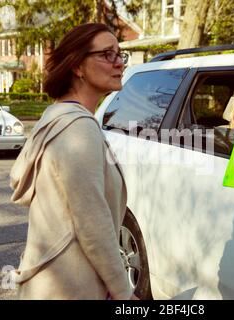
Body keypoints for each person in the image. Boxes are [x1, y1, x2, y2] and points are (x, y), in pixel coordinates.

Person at [9, 23, 138, 300]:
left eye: (120, 54)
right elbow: (93, 224)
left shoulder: (55, 116)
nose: (119, 63)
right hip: (71, 287)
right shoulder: (78, 129)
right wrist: (123, 292)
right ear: (78, 66)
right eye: (107, 54)